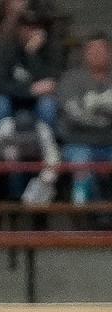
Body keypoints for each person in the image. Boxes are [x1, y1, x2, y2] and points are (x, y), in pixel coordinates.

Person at [58, 33, 112, 204]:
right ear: (84, 53)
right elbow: (73, 115)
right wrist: (104, 117)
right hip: (79, 141)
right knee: (80, 163)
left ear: (109, 52)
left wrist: (92, 110)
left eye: (101, 49)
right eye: (92, 49)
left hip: (110, 142)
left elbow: (83, 112)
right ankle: (82, 215)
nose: (96, 53)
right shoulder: (70, 79)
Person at [0, 11, 62, 131]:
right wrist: (30, 90)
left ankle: (46, 144)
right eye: (27, 27)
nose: (31, 32)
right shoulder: (4, 48)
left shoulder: (51, 49)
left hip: (38, 100)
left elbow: (50, 82)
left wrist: (31, 54)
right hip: (11, 98)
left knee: (48, 105)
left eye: (36, 28)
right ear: (19, 29)